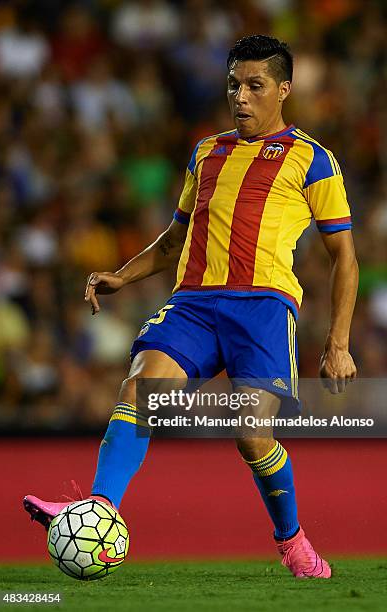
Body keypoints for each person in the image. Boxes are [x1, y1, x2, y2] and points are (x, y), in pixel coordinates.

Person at [24, 35, 358, 579]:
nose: (241, 98)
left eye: (255, 86)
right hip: (195, 305)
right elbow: (177, 239)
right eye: (234, 85)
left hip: (264, 309)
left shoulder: (313, 161)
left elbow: (344, 255)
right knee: (139, 389)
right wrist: (122, 275)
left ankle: (293, 542)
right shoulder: (206, 152)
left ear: (284, 90)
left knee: (251, 434)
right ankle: (96, 513)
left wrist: (338, 342)